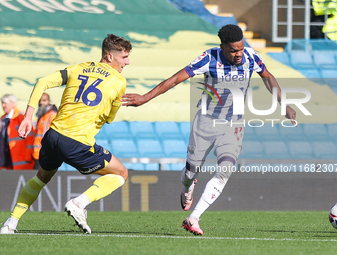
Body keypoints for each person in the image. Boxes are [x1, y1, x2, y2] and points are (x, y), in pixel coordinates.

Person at [121, 24, 296, 235]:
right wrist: (145, 97)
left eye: (240, 48)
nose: (239, 54)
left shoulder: (252, 57)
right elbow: (176, 79)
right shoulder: (209, 58)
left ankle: (194, 217)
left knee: (225, 170)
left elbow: (268, 77)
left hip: (233, 123)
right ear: (222, 47)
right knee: (190, 171)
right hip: (206, 121)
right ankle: (188, 187)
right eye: (233, 50)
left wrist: (283, 103)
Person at [0, 34, 131, 234]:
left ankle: (10, 223)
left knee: (41, 177)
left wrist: (28, 118)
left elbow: (42, 82)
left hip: (53, 136)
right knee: (121, 173)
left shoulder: (78, 68)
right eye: (124, 57)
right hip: (77, 142)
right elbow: (110, 118)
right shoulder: (119, 81)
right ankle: (79, 203)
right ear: (109, 56)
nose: (127, 62)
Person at [0, 94, 35, 170]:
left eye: (5, 103)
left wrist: (28, 156)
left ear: (12, 103)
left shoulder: (21, 116)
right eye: (2, 103)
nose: (3, 105)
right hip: (6, 160)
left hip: (21, 160)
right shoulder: (3, 119)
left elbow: (30, 136)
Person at [33, 93, 58, 169]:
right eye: (40, 101)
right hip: (38, 154)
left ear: (49, 101)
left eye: (44, 100)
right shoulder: (41, 116)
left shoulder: (53, 115)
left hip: (47, 154)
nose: (41, 103)